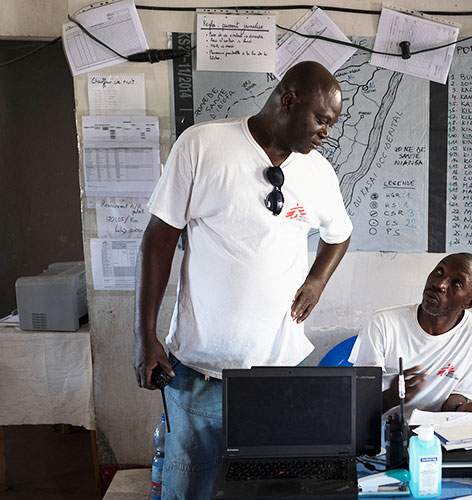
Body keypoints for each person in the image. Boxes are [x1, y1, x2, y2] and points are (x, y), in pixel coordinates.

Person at [132, 61, 353, 500]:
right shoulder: (203, 145)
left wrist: (317, 281)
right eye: (322, 120)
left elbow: (339, 234)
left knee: (264, 492)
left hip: (277, 372)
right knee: (190, 488)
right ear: (287, 101)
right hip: (200, 368)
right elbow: (158, 241)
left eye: (332, 123)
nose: (327, 132)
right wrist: (145, 335)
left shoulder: (317, 173)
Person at [348, 253, 472, 416]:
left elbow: (459, 393)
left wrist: (460, 409)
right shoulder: (383, 323)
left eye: (456, 283)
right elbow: (359, 405)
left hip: (435, 431)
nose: (439, 284)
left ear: (469, 303)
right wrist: (393, 396)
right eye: (439, 271)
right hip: (383, 430)